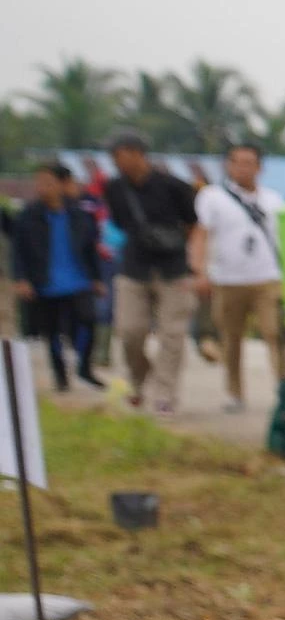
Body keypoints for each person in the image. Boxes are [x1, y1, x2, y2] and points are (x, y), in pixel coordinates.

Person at [98, 131, 196, 412]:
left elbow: (193, 224)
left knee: (172, 335)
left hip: (173, 269)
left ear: (137, 153)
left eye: (118, 154)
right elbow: (120, 223)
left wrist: (191, 261)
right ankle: (140, 380)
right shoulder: (114, 188)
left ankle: (165, 393)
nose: (115, 161)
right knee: (129, 331)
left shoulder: (174, 186)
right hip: (133, 268)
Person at [190, 141, 285, 410]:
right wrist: (200, 270)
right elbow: (201, 234)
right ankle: (235, 393)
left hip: (267, 278)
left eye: (249, 163)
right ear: (228, 165)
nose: (242, 168)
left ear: (259, 167)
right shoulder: (212, 197)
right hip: (228, 279)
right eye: (237, 162)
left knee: (275, 333)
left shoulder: (274, 200)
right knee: (232, 339)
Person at [12, 165, 106, 390]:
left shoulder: (79, 214)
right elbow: (18, 251)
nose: (43, 188)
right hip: (45, 281)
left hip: (79, 279)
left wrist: (97, 277)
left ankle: (85, 367)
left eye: (49, 183)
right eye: (39, 183)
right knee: (51, 331)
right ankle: (61, 376)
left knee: (88, 320)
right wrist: (21, 279)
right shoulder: (28, 215)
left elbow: (91, 248)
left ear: (63, 184)